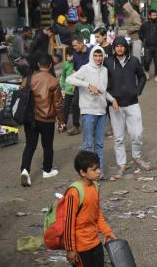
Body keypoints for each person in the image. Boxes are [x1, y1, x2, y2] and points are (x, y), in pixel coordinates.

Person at [104, 37, 150, 179]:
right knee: (118, 138)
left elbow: (142, 77)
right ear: (114, 48)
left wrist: (138, 90)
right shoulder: (108, 62)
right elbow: (102, 80)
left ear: (126, 47)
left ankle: (137, 157)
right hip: (115, 106)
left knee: (137, 134)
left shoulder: (134, 61)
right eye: (117, 46)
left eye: (122, 46)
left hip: (132, 103)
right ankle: (122, 164)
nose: (119, 48)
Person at [67, 46, 117, 176]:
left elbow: (103, 91)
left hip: (101, 111)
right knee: (88, 145)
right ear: (91, 56)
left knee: (99, 144)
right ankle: (86, 174)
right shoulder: (85, 69)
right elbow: (69, 79)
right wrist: (88, 85)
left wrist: (112, 100)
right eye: (95, 55)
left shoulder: (104, 70)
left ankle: (99, 173)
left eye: (100, 56)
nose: (98, 58)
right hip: (88, 111)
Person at [63, 150, 115, 267]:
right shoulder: (74, 192)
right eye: (94, 169)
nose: (99, 171)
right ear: (82, 172)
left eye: (98, 168)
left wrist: (107, 232)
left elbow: (97, 213)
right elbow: (68, 223)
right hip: (81, 248)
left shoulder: (95, 186)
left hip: (95, 243)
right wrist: (70, 249)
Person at [19, 53, 63, 187]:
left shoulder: (29, 78)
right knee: (47, 145)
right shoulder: (53, 81)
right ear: (50, 65)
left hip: (30, 118)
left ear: (38, 65)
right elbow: (58, 104)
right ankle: (47, 170)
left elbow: (22, 95)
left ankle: (25, 170)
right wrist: (61, 120)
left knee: (30, 145)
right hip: (47, 118)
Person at [139, 9, 157, 79]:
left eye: (156, 15)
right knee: (146, 60)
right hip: (147, 46)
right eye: (153, 15)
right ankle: (146, 71)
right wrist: (144, 39)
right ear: (149, 16)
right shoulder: (144, 25)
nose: (155, 17)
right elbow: (140, 33)